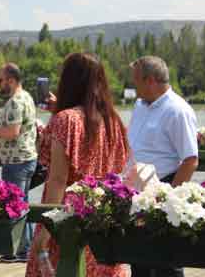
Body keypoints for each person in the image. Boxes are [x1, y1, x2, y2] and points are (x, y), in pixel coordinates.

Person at [26, 53, 130, 277]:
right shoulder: (114, 120)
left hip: (67, 221)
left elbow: (57, 180)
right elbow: (117, 170)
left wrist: (44, 234)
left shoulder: (67, 120)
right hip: (102, 218)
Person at [128, 56, 198, 277]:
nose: (133, 86)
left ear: (150, 81)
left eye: (136, 81)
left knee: (166, 261)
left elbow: (190, 160)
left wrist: (168, 198)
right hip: (135, 189)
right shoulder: (139, 105)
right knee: (138, 259)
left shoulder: (178, 110)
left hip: (163, 189)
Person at [0, 63, 37, 263]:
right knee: (22, 204)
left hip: (16, 161)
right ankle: (27, 248)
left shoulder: (15, 101)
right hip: (26, 158)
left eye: (0, 80)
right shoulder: (27, 97)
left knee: (15, 206)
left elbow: (12, 132)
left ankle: (21, 250)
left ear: (11, 80)